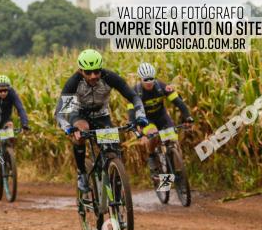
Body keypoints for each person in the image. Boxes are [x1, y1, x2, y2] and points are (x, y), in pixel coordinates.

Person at [55, 49, 147, 194]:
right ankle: (82, 173)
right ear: (81, 71)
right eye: (88, 72)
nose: (93, 76)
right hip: (78, 113)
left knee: (113, 148)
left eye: (97, 72)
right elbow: (60, 113)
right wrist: (68, 128)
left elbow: (134, 97)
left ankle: (114, 178)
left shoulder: (109, 77)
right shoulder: (73, 83)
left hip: (101, 115)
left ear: (101, 69)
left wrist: (140, 115)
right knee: (82, 130)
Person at [130, 62, 193, 172]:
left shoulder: (162, 86)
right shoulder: (135, 92)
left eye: (151, 79)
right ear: (140, 79)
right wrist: (138, 131)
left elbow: (179, 102)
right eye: (146, 80)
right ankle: (151, 156)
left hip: (161, 116)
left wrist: (188, 117)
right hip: (147, 119)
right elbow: (131, 113)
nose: (149, 83)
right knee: (153, 133)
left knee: (174, 140)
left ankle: (178, 170)